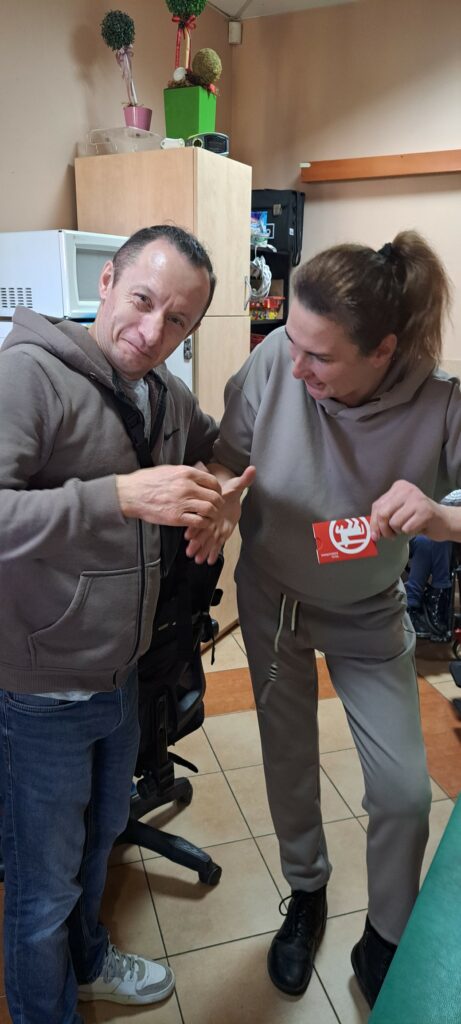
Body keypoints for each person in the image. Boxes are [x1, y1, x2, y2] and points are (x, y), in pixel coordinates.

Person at [185, 230, 461, 1008]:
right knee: (287, 763)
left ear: (382, 351)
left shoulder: (440, 403)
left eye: (320, 357)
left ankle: (385, 936)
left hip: (367, 611)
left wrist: (440, 517)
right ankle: (305, 892)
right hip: (273, 601)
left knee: (403, 793)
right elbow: (228, 454)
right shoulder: (279, 360)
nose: (294, 365)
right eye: (290, 343)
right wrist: (219, 493)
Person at [0, 224, 253, 1024]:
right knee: (42, 885)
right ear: (105, 282)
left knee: (97, 843)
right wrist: (114, 496)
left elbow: (220, 450)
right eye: (141, 300)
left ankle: (87, 965)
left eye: (177, 320)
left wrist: (225, 502)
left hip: (122, 674)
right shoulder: (26, 377)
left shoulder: (163, 394)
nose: (151, 331)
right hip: (41, 689)